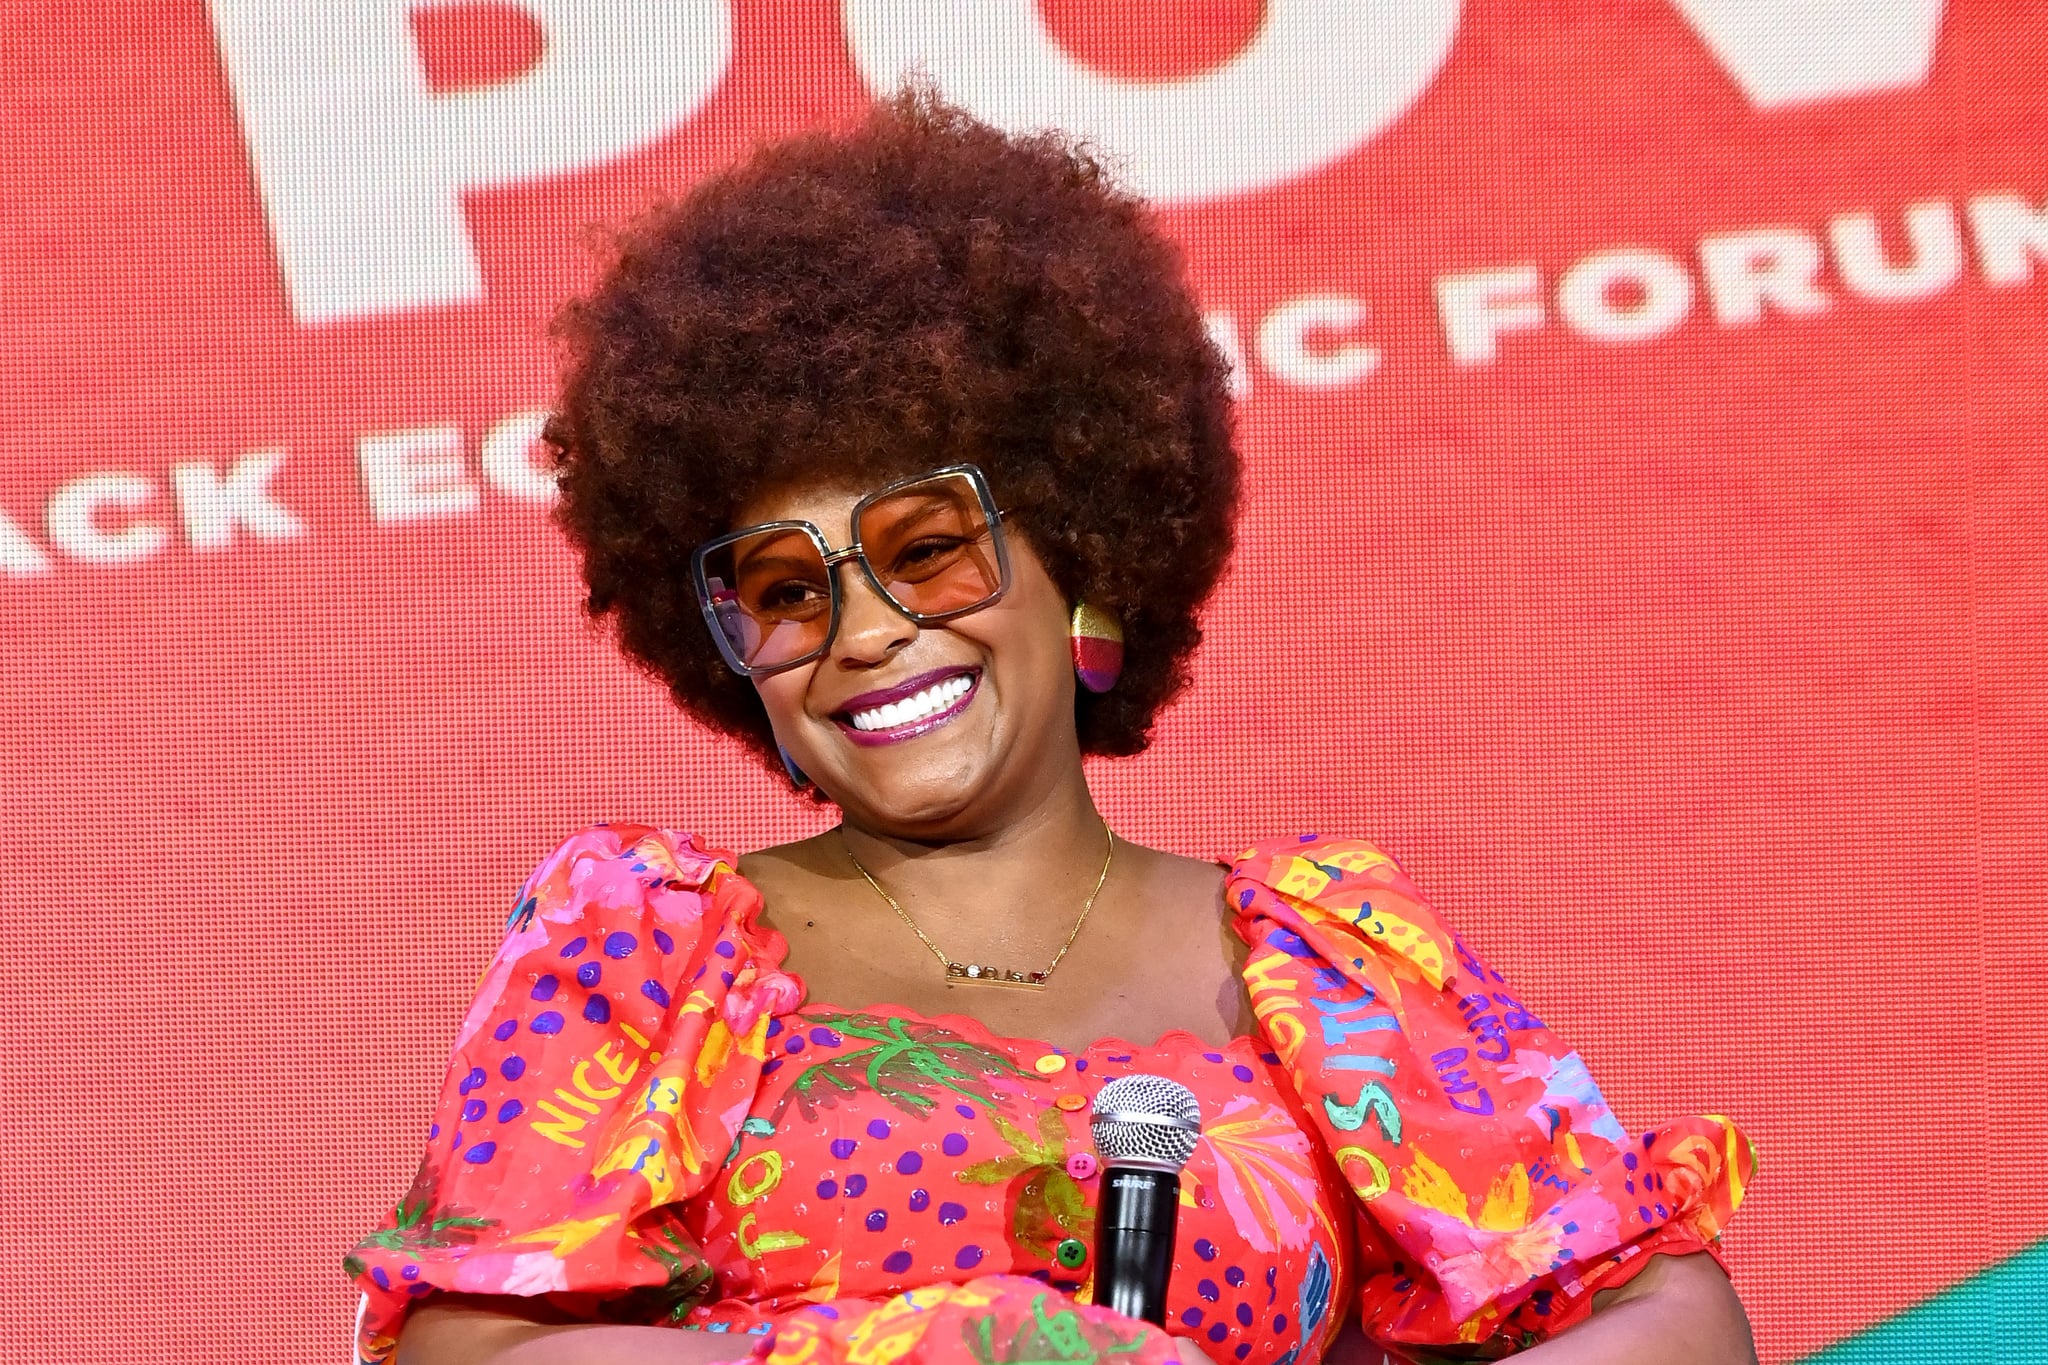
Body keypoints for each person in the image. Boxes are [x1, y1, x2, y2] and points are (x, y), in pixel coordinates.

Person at [348, 91, 1756, 1365]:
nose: (865, 624)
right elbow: (469, 1358)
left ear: (1082, 552)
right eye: (785, 589)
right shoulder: (646, 949)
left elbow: (1669, 1314)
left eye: (930, 545)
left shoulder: (1323, 964)